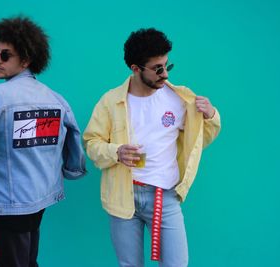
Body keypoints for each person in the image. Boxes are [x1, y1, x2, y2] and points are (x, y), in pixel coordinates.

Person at [0, 16, 86, 267]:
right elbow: (74, 143)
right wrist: (72, 169)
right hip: (40, 202)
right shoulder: (55, 99)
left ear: (25, 60)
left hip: (7, 206)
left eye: (6, 55)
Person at [83, 28, 221, 267]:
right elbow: (91, 143)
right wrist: (116, 152)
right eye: (157, 68)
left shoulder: (181, 99)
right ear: (136, 68)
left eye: (167, 65)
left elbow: (197, 141)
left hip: (164, 197)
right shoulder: (111, 102)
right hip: (123, 196)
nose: (165, 74)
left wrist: (210, 116)